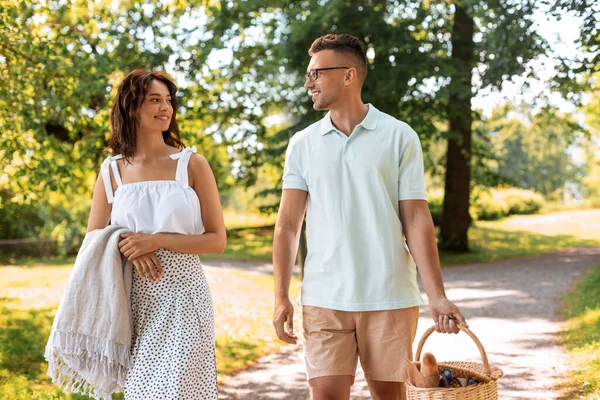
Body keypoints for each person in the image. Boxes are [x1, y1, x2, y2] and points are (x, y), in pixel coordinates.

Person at [272, 34, 468, 400]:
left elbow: (416, 219)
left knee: (389, 396)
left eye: (316, 73)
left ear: (348, 75)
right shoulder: (303, 143)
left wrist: (437, 296)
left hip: (389, 295)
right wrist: (281, 295)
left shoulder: (399, 136)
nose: (308, 82)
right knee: (326, 394)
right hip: (323, 297)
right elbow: (286, 226)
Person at [86, 69, 226, 399]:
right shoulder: (111, 171)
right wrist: (130, 244)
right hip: (134, 298)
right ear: (131, 106)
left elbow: (217, 239)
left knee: (175, 390)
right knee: (143, 391)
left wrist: (156, 239)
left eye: (168, 101)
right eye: (154, 100)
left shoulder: (192, 164)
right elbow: (93, 237)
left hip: (184, 294)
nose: (165, 108)